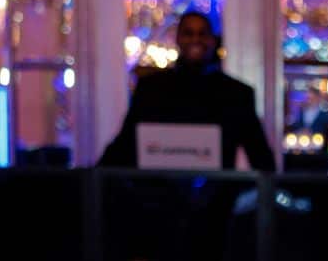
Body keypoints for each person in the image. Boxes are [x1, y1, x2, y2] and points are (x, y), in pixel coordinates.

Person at [98, 10, 275, 170]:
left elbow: (259, 154)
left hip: (217, 200)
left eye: (202, 34)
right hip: (156, 196)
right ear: (178, 39)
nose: (195, 39)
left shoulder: (237, 94)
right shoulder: (151, 89)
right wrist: (91, 180)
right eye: (188, 33)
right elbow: (125, 143)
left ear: (213, 40)